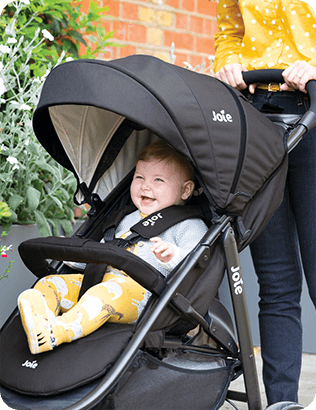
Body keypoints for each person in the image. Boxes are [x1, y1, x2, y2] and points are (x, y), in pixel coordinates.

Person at [213, 0, 316, 406]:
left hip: (313, 106)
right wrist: (229, 63)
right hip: (257, 115)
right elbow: (230, 32)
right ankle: (281, 402)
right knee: (275, 282)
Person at [17, 140, 208, 355]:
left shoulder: (189, 225)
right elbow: (102, 251)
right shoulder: (125, 218)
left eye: (158, 180)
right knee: (49, 283)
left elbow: (198, 264)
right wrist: (71, 254)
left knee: (103, 294)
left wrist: (173, 255)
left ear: (185, 190)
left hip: (143, 297)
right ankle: (41, 324)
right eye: (139, 177)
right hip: (99, 281)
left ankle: (59, 331)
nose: (145, 186)